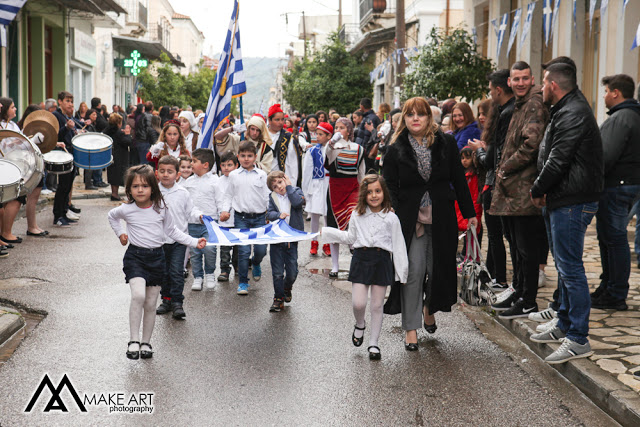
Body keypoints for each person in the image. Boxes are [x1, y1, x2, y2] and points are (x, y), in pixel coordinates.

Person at [383, 96, 476, 351]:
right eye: (410, 114)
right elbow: (388, 184)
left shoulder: (445, 142)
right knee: (412, 272)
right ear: (404, 118)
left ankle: (429, 307)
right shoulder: (395, 147)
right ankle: (411, 329)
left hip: (442, 216)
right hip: (410, 219)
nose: (415, 118)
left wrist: (470, 214)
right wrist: (394, 212)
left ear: (429, 117)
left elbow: (458, 178)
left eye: (420, 114)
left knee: (438, 270)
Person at [528, 63, 603, 364]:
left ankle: (578, 338)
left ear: (554, 85)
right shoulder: (565, 108)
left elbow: (558, 160)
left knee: (570, 269)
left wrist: (536, 189)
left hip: (572, 201)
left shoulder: (572, 112)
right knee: (563, 265)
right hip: (562, 199)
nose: (541, 88)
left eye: (543, 82)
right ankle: (563, 323)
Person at [108, 165, 206, 359]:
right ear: (129, 190)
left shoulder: (161, 209)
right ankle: (133, 340)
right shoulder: (126, 209)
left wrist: (195, 242)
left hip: (156, 258)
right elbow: (112, 217)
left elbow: (173, 231)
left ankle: (146, 342)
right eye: (135, 186)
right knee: (138, 295)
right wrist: (121, 234)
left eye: (144, 186)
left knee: (151, 303)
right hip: (135, 257)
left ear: (153, 188)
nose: (140, 190)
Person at [322, 174, 408, 360]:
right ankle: (360, 324)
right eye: (369, 192)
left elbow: (399, 246)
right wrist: (328, 233)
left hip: (382, 260)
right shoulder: (356, 214)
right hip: (361, 259)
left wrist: (402, 273)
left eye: (378, 191)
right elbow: (350, 238)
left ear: (384, 193)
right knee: (358, 303)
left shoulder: (391, 218)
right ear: (364, 195)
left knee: (377, 305)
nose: (374, 195)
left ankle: (374, 343)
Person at [489, 61, 549, 319]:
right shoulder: (519, 104)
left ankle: (528, 300)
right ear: (510, 82)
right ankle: (520, 292)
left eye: (525, 78)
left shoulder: (534, 104)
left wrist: (505, 168)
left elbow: (531, 144)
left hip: (524, 188)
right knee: (516, 245)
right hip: (512, 189)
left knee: (526, 249)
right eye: (516, 79)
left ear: (532, 79)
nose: (521, 83)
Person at [591, 74, 640, 311]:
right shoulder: (629, 116)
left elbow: (605, 157)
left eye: (606, 91)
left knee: (615, 238)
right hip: (622, 185)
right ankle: (609, 286)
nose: (604, 96)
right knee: (609, 238)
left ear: (616, 93)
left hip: (617, 186)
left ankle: (615, 292)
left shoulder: (622, 118)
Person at [469, 69, 515, 293]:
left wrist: (479, 152)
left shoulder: (502, 123)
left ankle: (500, 279)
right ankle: (496, 275)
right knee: (498, 236)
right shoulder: (504, 119)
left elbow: (490, 160)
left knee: (498, 236)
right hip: (493, 185)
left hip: (494, 185)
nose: (481, 117)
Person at [155, 156, 203, 319]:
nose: (166, 175)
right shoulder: (153, 192)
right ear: (157, 173)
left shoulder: (182, 192)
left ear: (177, 174)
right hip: (159, 240)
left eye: (170, 171)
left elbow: (191, 211)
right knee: (163, 272)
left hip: (179, 240)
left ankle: (177, 302)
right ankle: (166, 300)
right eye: (162, 171)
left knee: (176, 271)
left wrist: (200, 217)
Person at [220, 141, 270, 295]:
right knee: (243, 251)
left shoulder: (262, 175)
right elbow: (228, 195)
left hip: (260, 218)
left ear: (255, 157)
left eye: (250, 156)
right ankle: (243, 282)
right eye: (243, 156)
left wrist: (270, 213)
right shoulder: (234, 175)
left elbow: (267, 196)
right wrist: (224, 210)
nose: (246, 159)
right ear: (238, 157)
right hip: (241, 218)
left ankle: (256, 263)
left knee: (261, 250)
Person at [325, 117, 366, 277]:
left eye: (342, 127)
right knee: (333, 227)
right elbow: (328, 156)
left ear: (349, 130)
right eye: (336, 127)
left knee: (353, 222)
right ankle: (335, 266)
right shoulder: (333, 148)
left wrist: (364, 192)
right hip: (335, 190)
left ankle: (353, 254)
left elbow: (361, 172)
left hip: (353, 189)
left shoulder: (358, 148)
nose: (338, 130)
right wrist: (331, 143)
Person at [182, 149, 223, 291]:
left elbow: (220, 200)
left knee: (210, 249)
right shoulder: (188, 182)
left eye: (194, 161)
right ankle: (198, 277)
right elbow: (185, 202)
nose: (191, 164)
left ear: (205, 165)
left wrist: (222, 213)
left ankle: (210, 273)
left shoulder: (215, 181)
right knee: (195, 252)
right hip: (192, 223)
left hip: (210, 223)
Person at [266, 171, 305, 312]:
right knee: (277, 272)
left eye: (280, 182)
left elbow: (297, 203)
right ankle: (278, 299)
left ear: (285, 180)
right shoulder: (272, 197)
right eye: (275, 186)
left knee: (292, 271)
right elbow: (269, 214)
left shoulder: (295, 191)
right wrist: (278, 215)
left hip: (292, 238)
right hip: (277, 239)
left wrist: (289, 187)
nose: (279, 187)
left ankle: (287, 287)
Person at [0, 98, 30, 245]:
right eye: (12, 107)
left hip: (15, 164)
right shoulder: (2, 125)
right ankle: (6, 233)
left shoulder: (12, 125)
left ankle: (4, 233)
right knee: (14, 199)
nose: (15, 109)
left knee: (13, 199)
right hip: (6, 165)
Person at [52, 91, 83, 227]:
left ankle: (64, 212)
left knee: (68, 186)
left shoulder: (66, 116)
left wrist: (77, 132)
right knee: (62, 186)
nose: (70, 104)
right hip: (62, 154)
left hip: (71, 153)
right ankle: (57, 215)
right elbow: (54, 136)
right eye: (67, 101)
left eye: (71, 101)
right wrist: (66, 128)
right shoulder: (56, 116)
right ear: (60, 102)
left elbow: (70, 135)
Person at [302, 121, 332, 256]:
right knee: (315, 215)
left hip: (329, 184)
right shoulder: (312, 151)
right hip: (316, 184)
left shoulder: (333, 149)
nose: (317, 137)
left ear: (328, 136)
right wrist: (306, 190)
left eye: (320, 134)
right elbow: (307, 171)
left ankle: (327, 243)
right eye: (316, 134)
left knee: (327, 216)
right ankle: (314, 242)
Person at [216, 151, 239, 282]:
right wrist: (220, 213)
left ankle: (237, 266)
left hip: (237, 218)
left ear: (236, 166)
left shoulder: (238, 179)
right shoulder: (219, 181)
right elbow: (219, 199)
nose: (226, 167)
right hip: (224, 220)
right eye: (223, 165)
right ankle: (224, 269)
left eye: (229, 165)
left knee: (238, 246)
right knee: (224, 247)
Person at [269, 104, 302, 187]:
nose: (281, 122)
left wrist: (291, 185)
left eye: (282, 119)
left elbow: (293, 163)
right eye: (277, 120)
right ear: (269, 120)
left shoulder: (288, 138)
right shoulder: (263, 136)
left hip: (281, 182)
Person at [455, 146, 483, 237]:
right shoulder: (461, 174)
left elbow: (475, 195)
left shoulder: (474, 176)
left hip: (472, 207)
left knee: (472, 235)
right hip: (461, 209)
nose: (464, 160)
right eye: (462, 158)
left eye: (467, 158)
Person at [105, 113, 132, 201]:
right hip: (120, 157)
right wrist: (128, 134)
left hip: (110, 156)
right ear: (118, 123)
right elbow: (127, 142)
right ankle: (117, 194)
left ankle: (114, 193)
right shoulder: (119, 133)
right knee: (119, 175)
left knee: (113, 176)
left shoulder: (107, 131)